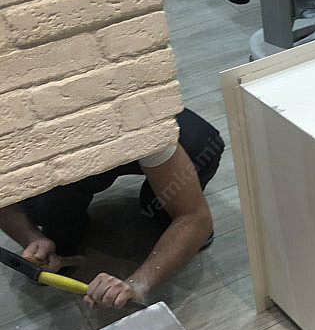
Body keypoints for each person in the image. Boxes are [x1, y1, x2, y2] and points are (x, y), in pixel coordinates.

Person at [0, 109, 224, 310]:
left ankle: (162, 208)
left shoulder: (139, 119)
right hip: (53, 161)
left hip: (127, 128)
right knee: (50, 208)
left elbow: (194, 217)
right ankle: (59, 239)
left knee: (202, 145)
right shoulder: (15, 132)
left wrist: (138, 285)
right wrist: (31, 238)